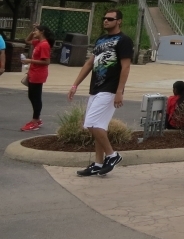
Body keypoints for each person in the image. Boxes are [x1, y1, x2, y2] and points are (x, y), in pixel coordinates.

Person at [69, 10, 134, 176]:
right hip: (96, 88)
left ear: (118, 21)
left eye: (110, 19)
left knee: (91, 124)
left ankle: (112, 155)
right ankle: (98, 164)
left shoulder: (124, 40)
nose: (105, 21)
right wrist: (75, 84)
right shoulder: (101, 39)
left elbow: (126, 67)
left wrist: (119, 91)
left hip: (110, 89)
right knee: (99, 126)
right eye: (104, 18)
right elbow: (90, 63)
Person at [21, 24, 54, 131]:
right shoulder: (38, 43)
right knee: (31, 96)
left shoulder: (44, 45)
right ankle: (37, 119)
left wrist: (30, 61)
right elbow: (27, 40)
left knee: (36, 97)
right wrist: (32, 31)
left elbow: (46, 62)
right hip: (33, 72)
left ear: (42, 32)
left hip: (38, 74)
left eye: (36, 31)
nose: (34, 32)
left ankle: (35, 121)